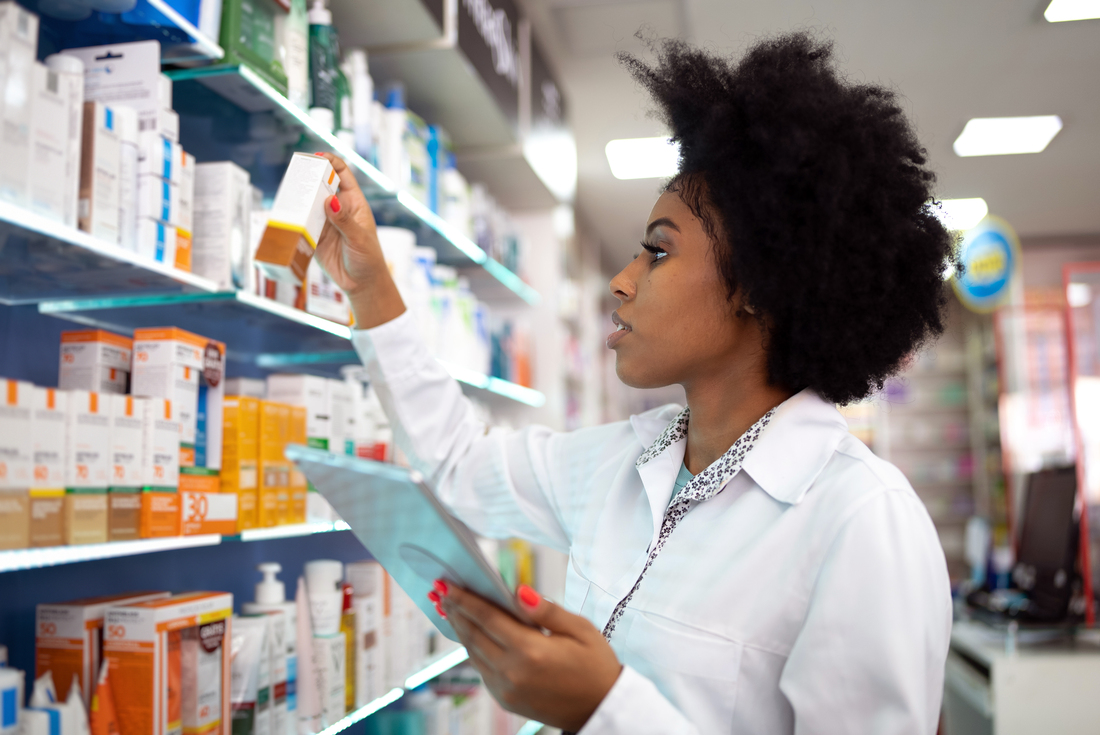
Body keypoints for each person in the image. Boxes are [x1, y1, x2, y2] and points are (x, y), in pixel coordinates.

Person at [314, 31, 955, 735]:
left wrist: (604, 708)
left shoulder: (860, 520)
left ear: (758, 286)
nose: (622, 281)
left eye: (658, 251)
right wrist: (371, 287)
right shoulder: (623, 462)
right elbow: (461, 465)